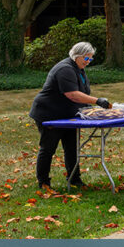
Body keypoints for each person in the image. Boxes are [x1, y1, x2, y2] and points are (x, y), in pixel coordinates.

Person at [29, 41, 111, 191]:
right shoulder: (65, 69)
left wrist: (92, 109)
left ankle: (75, 179)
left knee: (72, 147)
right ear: (77, 56)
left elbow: (83, 93)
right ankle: (44, 182)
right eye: (86, 58)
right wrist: (98, 101)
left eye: (90, 59)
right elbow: (73, 95)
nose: (88, 62)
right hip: (49, 113)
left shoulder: (79, 69)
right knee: (48, 148)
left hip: (67, 115)